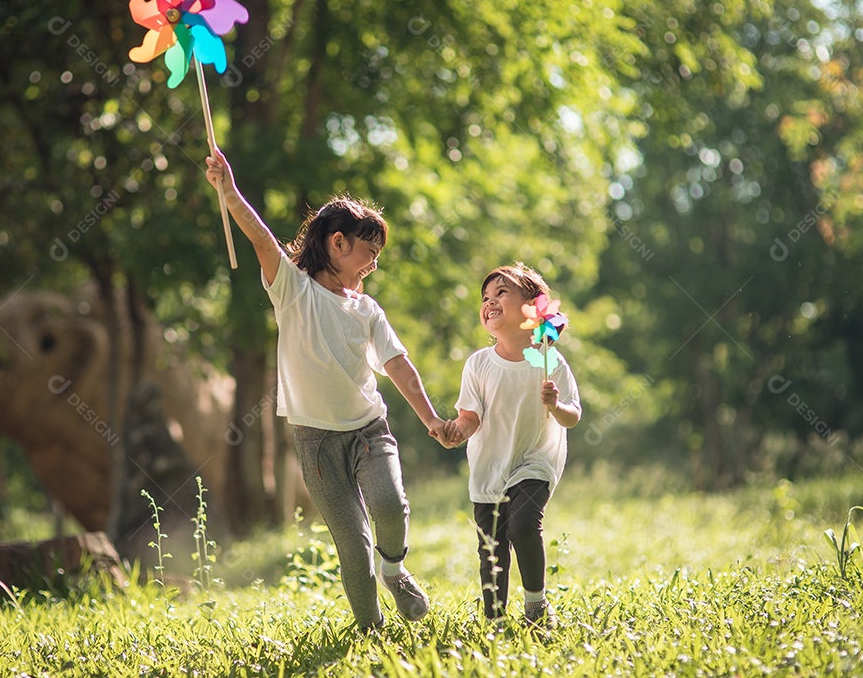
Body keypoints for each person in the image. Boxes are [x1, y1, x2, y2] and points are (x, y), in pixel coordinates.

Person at [205, 150, 448, 630]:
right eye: (370, 253)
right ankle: (371, 631)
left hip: (369, 430)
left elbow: (399, 366)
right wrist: (229, 191)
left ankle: (395, 570)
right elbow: (261, 237)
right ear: (338, 242)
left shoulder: (367, 310)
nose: (374, 264)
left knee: (390, 505)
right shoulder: (292, 290)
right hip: (315, 442)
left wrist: (433, 420)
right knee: (353, 544)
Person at [443, 263, 581, 630]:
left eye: (501, 293)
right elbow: (469, 418)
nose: (489, 302)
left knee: (522, 525)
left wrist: (555, 405)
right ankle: (495, 621)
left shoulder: (546, 360)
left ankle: (536, 605)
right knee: (492, 549)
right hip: (490, 467)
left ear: (532, 306)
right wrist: (456, 431)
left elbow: (572, 417)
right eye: (485, 297)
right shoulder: (478, 364)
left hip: (536, 460)